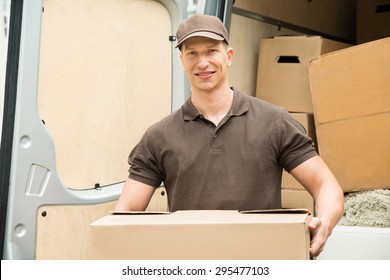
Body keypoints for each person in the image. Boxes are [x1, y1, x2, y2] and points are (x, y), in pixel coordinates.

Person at [115, 13, 344, 257]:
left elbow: (326, 185)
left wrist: (324, 224)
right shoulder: (159, 137)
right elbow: (126, 210)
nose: (202, 63)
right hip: (191, 264)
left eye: (212, 51)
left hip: (262, 261)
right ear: (182, 61)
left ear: (229, 56)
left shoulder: (274, 122)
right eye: (192, 53)